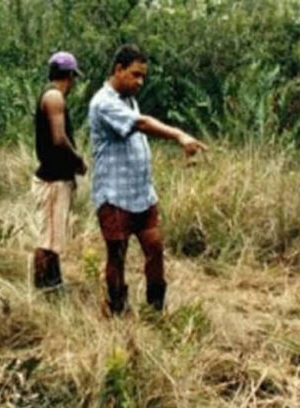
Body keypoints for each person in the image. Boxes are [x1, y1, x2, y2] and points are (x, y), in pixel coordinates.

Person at [89, 44, 207, 314]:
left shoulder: (127, 98)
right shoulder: (103, 103)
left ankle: (156, 310)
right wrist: (179, 135)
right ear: (118, 70)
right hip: (115, 196)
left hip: (142, 195)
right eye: (135, 75)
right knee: (117, 255)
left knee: (154, 248)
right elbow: (141, 123)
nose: (140, 82)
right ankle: (118, 312)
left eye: (143, 76)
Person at [32, 51, 88, 291]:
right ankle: (45, 289)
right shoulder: (54, 97)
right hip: (53, 180)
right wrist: (78, 161)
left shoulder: (50, 96)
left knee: (54, 238)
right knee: (48, 242)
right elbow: (58, 138)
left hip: (56, 179)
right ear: (70, 76)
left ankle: (53, 284)